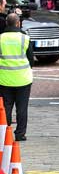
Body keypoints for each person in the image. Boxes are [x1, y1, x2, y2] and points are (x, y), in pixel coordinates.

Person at [0, 13, 33, 142]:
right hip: (23, 79)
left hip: (4, 79)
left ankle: (4, 133)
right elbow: (31, 59)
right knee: (22, 108)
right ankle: (20, 134)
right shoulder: (25, 38)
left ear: (7, 23)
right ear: (18, 23)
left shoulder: (0, 38)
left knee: (6, 107)